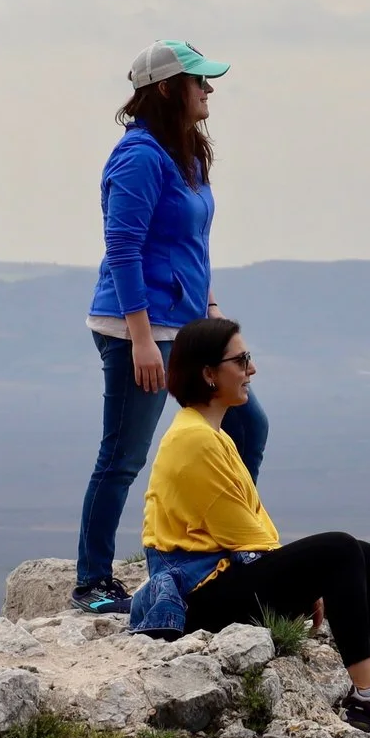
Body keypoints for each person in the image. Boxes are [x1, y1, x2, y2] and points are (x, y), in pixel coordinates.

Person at [138, 317, 370, 738]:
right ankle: (369, 690)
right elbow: (247, 534)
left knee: (360, 552)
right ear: (208, 373)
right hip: (197, 600)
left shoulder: (209, 434)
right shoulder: (194, 440)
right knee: (340, 549)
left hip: (215, 583)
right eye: (241, 360)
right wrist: (307, 581)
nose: (251, 369)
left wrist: (302, 579)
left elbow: (254, 523)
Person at [73, 41, 270, 613]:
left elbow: (193, 242)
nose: (209, 90)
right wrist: (139, 338)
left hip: (185, 326)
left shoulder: (187, 153)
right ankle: (91, 581)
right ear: (166, 89)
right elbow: (124, 246)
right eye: (199, 82)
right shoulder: (138, 157)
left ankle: (231, 545)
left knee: (247, 427)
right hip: (135, 326)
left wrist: (209, 306)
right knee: (124, 455)